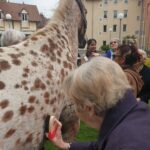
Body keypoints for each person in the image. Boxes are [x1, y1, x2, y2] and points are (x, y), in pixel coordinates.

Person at [47, 57, 150, 150]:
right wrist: (65, 145)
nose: (75, 111)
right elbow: (101, 145)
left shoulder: (126, 144)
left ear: (88, 108)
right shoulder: (136, 112)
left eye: (74, 104)